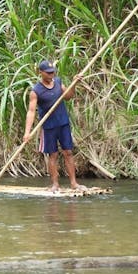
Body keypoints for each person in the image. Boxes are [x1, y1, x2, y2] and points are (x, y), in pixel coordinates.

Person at [23, 60, 86, 192]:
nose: (51, 75)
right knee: (53, 155)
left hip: (63, 123)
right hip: (49, 126)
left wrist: (74, 84)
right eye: (48, 73)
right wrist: (27, 132)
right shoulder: (36, 91)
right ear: (40, 73)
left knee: (68, 152)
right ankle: (55, 184)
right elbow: (31, 111)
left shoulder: (58, 82)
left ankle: (74, 183)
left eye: (53, 72)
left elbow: (68, 96)